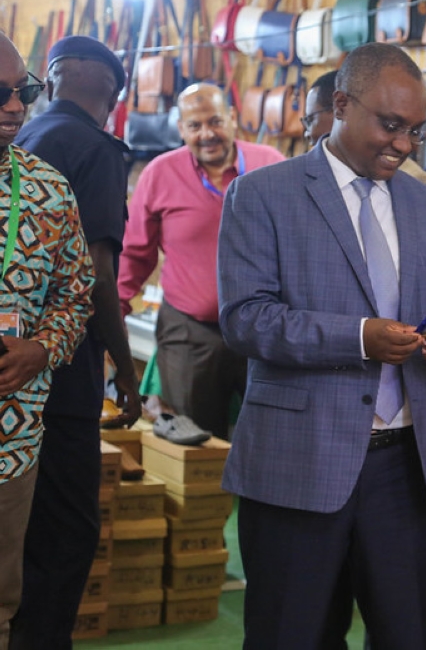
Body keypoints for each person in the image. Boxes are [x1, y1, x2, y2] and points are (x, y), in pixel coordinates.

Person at [217, 43, 426, 650]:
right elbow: (246, 319)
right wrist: (360, 338)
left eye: (416, 131)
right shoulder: (263, 194)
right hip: (299, 462)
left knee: (406, 635)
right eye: (390, 125)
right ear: (340, 105)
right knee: (290, 634)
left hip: (408, 471)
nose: (403, 145)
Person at [8, 35, 139, 650]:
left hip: (19, 376)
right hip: (56, 381)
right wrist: (126, 369)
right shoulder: (96, 150)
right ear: (112, 96)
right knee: (63, 535)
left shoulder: (27, 144)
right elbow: (97, 278)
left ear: (50, 80)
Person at [117, 83, 285, 439]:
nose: (206, 134)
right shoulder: (160, 174)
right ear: (181, 129)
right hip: (190, 333)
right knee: (192, 444)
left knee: (272, 437)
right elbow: (135, 252)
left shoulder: (270, 165)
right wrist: (114, 312)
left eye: (215, 121)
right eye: (194, 125)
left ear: (232, 118)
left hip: (263, 330)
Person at [0, 33, 94, 650]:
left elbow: (76, 294)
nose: (16, 107)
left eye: (24, 90)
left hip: (10, 442)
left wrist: (42, 349)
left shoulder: (49, 190)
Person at [304, 69, 426, 183]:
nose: (405, 146)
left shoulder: (419, 187)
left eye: (310, 120)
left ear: (341, 108)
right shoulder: (294, 181)